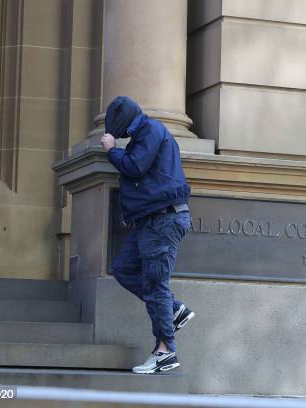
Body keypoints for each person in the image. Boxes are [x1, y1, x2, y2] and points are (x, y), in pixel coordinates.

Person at [100, 96, 195, 374]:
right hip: (150, 221)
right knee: (124, 268)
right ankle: (175, 310)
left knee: (156, 285)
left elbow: (136, 166)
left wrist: (111, 151)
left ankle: (165, 352)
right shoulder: (143, 135)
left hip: (162, 219)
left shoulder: (152, 130)